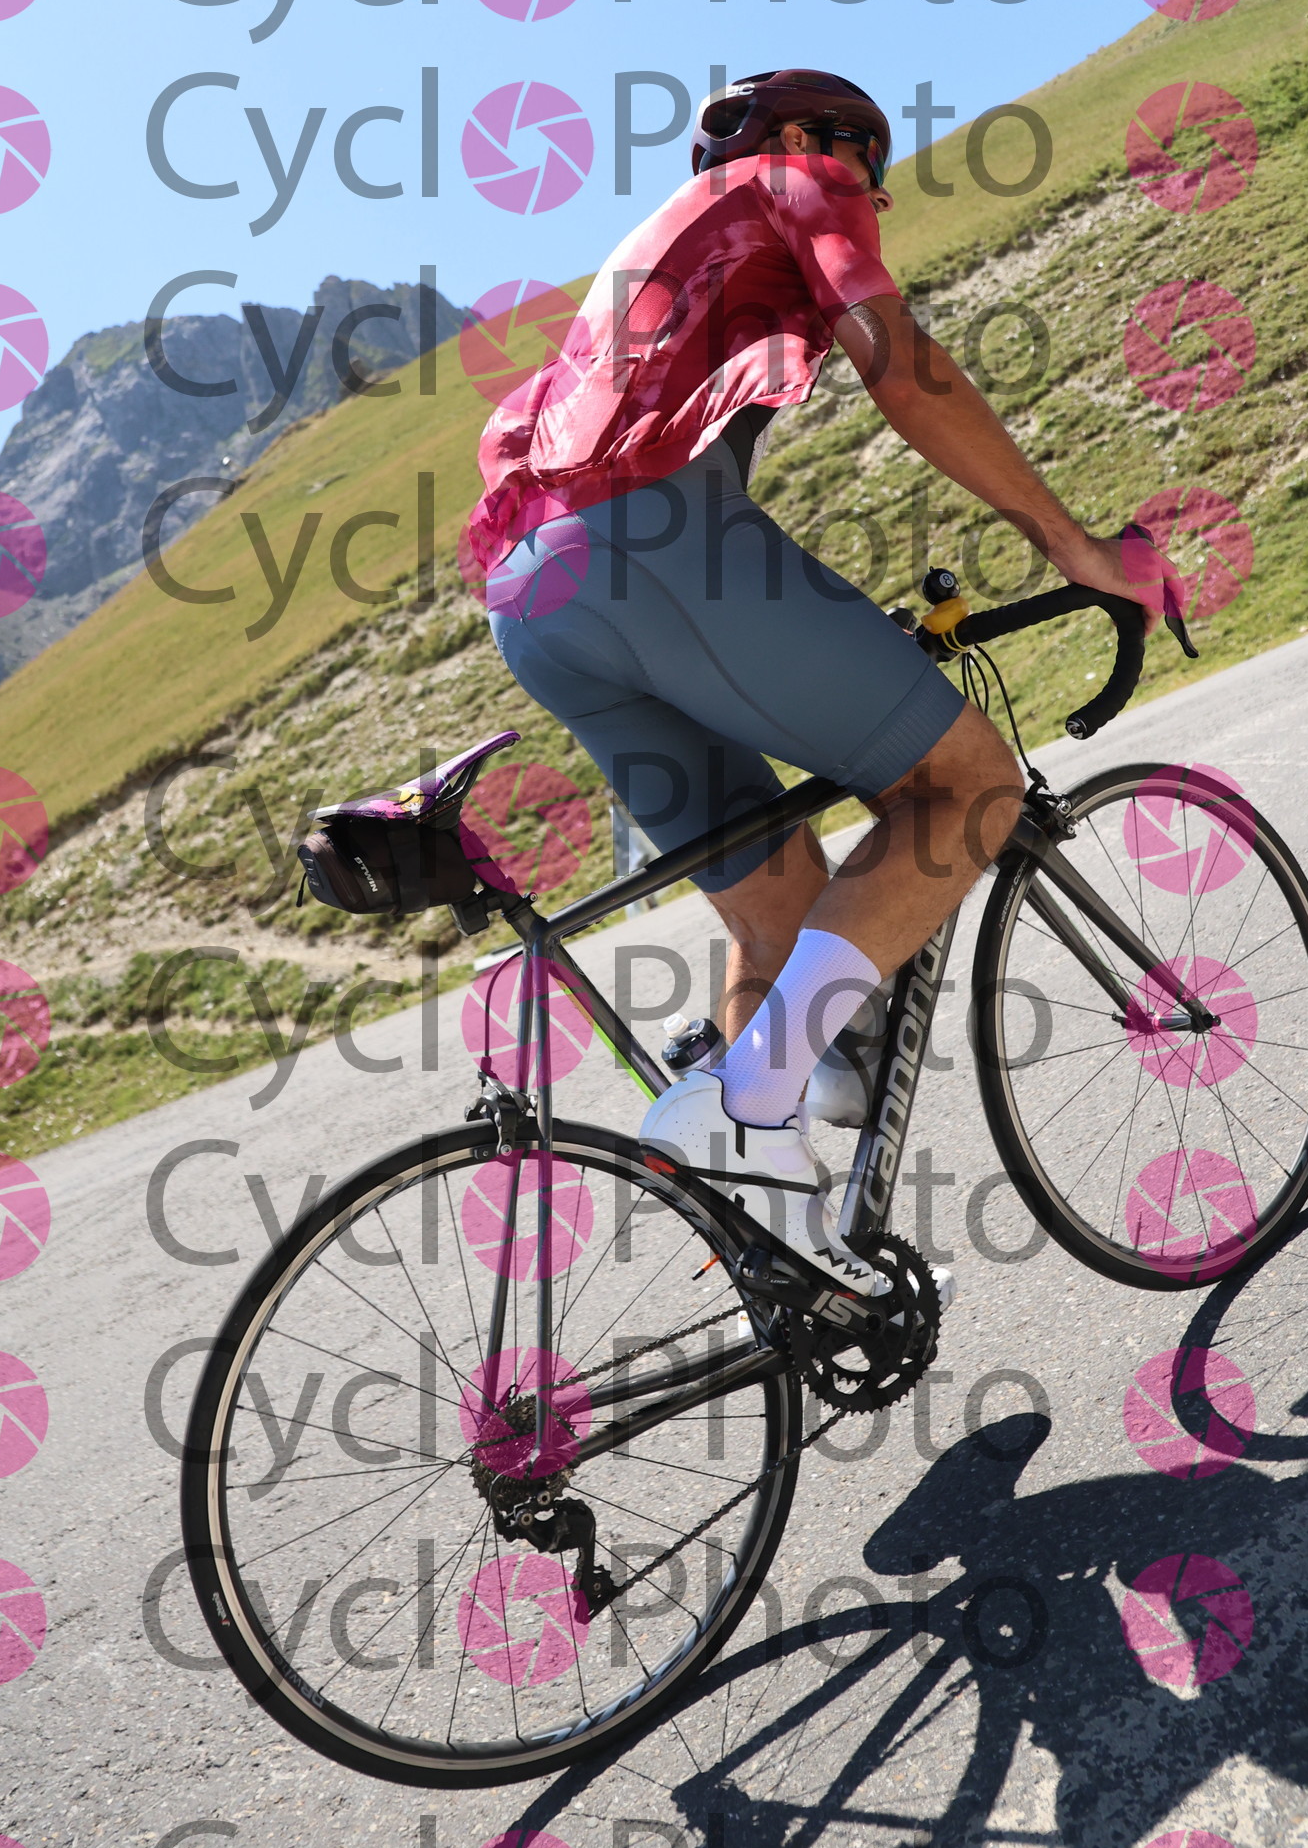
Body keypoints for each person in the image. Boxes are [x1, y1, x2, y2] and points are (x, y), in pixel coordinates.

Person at [466, 69, 1182, 1301]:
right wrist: (1077, 547)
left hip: (531, 600)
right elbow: (902, 370)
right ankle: (752, 1104)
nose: (872, 192)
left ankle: (784, 1263)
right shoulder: (790, 179)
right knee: (967, 786)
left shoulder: (654, 254)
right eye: (867, 161)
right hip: (652, 549)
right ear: (805, 136)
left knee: (777, 919)